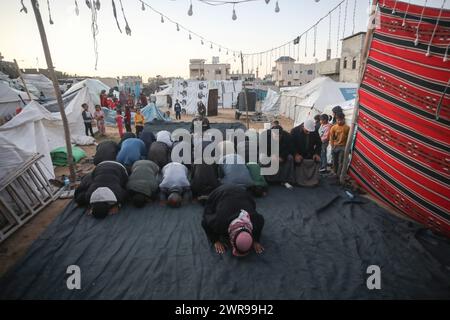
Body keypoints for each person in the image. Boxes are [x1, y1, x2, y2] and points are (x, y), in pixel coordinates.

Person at [201, 184, 265, 256]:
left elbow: (261, 221)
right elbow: (205, 222)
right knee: (208, 209)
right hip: (219, 193)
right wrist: (215, 240)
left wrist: (256, 240)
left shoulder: (255, 220)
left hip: (242, 192)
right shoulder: (220, 222)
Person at [290, 119, 322, 187]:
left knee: (317, 160)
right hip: (298, 153)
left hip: (310, 153)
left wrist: (316, 153)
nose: (308, 133)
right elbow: (291, 145)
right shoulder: (294, 131)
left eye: (310, 131)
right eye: (307, 131)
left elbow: (319, 143)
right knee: (297, 162)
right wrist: (296, 154)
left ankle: (312, 179)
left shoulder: (314, 131)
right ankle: (298, 180)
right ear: (303, 127)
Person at [330, 112, 350, 178]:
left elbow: (349, 138)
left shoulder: (347, 128)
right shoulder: (333, 127)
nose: (339, 121)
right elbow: (331, 138)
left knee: (340, 161)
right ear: (336, 119)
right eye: (338, 120)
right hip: (335, 146)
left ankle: (339, 174)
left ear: (344, 119)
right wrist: (332, 146)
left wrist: (347, 147)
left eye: (341, 120)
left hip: (343, 147)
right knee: (334, 160)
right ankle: (334, 172)